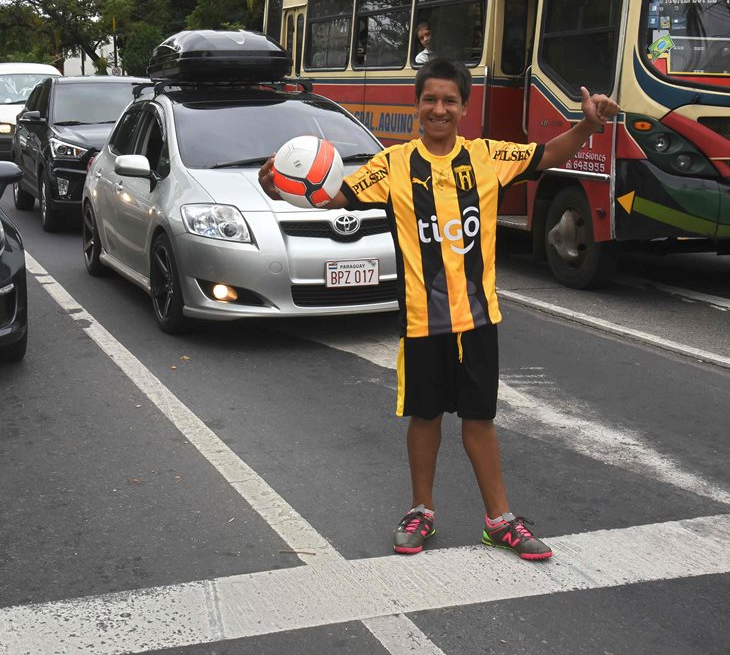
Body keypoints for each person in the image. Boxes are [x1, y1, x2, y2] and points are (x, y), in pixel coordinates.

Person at [259, 58, 619, 561]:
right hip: (422, 321)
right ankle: (420, 511)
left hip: (478, 318)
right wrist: (278, 180)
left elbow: (548, 153)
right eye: (430, 99)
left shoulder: (488, 156)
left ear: (465, 107)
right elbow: (333, 196)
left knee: (480, 419)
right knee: (424, 416)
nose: (439, 109)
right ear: (417, 105)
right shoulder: (392, 165)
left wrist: (586, 124)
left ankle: (500, 520)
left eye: (450, 100)